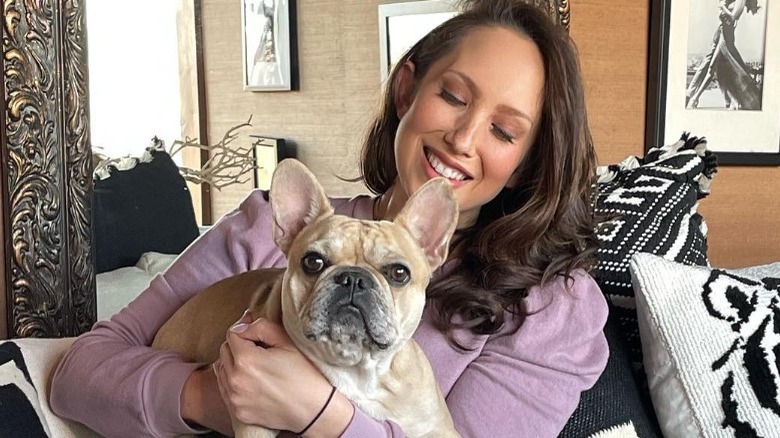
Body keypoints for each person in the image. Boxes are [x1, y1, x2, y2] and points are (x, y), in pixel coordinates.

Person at [50, 0, 608, 436]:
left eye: (504, 131)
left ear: (526, 163)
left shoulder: (554, 309)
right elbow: (79, 375)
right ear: (406, 89)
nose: (463, 139)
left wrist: (321, 418)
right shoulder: (266, 230)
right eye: (454, 97)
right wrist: (212, 399)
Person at [686, 0, 762, 110]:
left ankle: (694, 99)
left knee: (713, 68)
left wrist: (723, 8)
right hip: (722, 32)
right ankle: (729, 100)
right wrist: (722, 6)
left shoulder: (741, 1)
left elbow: (732, 18)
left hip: (726, 36)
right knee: (715, 67)